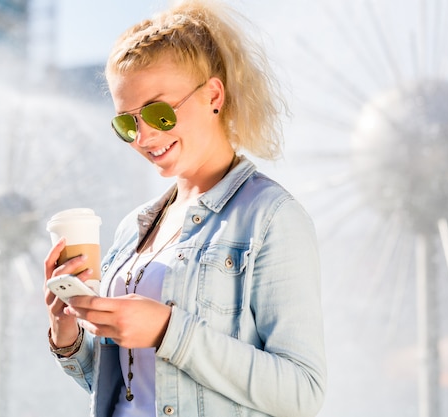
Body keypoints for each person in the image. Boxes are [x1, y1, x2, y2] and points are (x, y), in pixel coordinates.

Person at [43, 0, 326, 416]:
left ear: (213, 95)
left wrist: (167, 331)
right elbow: (125, 386)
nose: (142, 137)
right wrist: (67, 334)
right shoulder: (131, 230)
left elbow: (303, 394)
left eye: (157, 113)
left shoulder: (271, 217)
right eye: (126, 123)